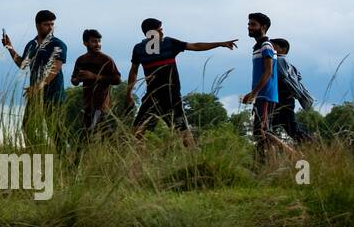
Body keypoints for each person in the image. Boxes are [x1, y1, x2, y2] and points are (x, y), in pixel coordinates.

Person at [125, 18, 237, 144]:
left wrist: (220, 43)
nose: (162, 33)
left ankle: (195, 161)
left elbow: (195, 46)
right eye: (159, 31)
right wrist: (128, 94)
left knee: (184, 137)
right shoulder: (139, 49)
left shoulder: (169, 43)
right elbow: (133, 71)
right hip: (152, 97)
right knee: (135, 135)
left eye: (162, 30)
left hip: (172, 98)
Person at [1, 10, 68, 147]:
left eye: (52, 24)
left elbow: (55, 68)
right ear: (37, 25)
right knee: (27, 127)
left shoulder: (58, 44)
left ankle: (66, 162)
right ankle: (33, 156)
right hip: (35, 96)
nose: (50, 27)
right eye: (46, 24)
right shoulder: (31, 45)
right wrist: (9, 47)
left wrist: (38, 86)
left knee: (55, 131)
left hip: (53, 95)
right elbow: (22, 64)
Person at [243, 13, 284, 160]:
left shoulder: (266, 45)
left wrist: (254, 93)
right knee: (260, 133)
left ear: (263, 27)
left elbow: (268, 72)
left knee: (262, 131)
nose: (249, 27)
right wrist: (253, 93)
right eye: (249, 24)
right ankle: (263, 164)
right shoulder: (258, 46)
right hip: (261, 94)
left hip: (265, 94)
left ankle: (293, 154)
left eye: (253, 24)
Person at [70, 29, 122, 139]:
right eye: (94, 41)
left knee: (88, 136)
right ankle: (116, 151)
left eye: (99, 41)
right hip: (87, 104)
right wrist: (78, 79)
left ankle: (81, 154)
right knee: (95, 134)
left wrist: (95, 76)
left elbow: (117, 79)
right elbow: (74, 80)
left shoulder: (106, 59)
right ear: (85, 43)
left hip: (101, 104)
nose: (97, 44)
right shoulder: (81, 60)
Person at [271, 38, 313, 145]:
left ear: (283, 49)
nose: (271, 49)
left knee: (289, 129)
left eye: (274, 47)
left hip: (282, 99)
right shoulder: (289, 64)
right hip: (285, 100)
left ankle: (313, 144)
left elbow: (282, 78)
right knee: (285, 128)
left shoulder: (279, 60)